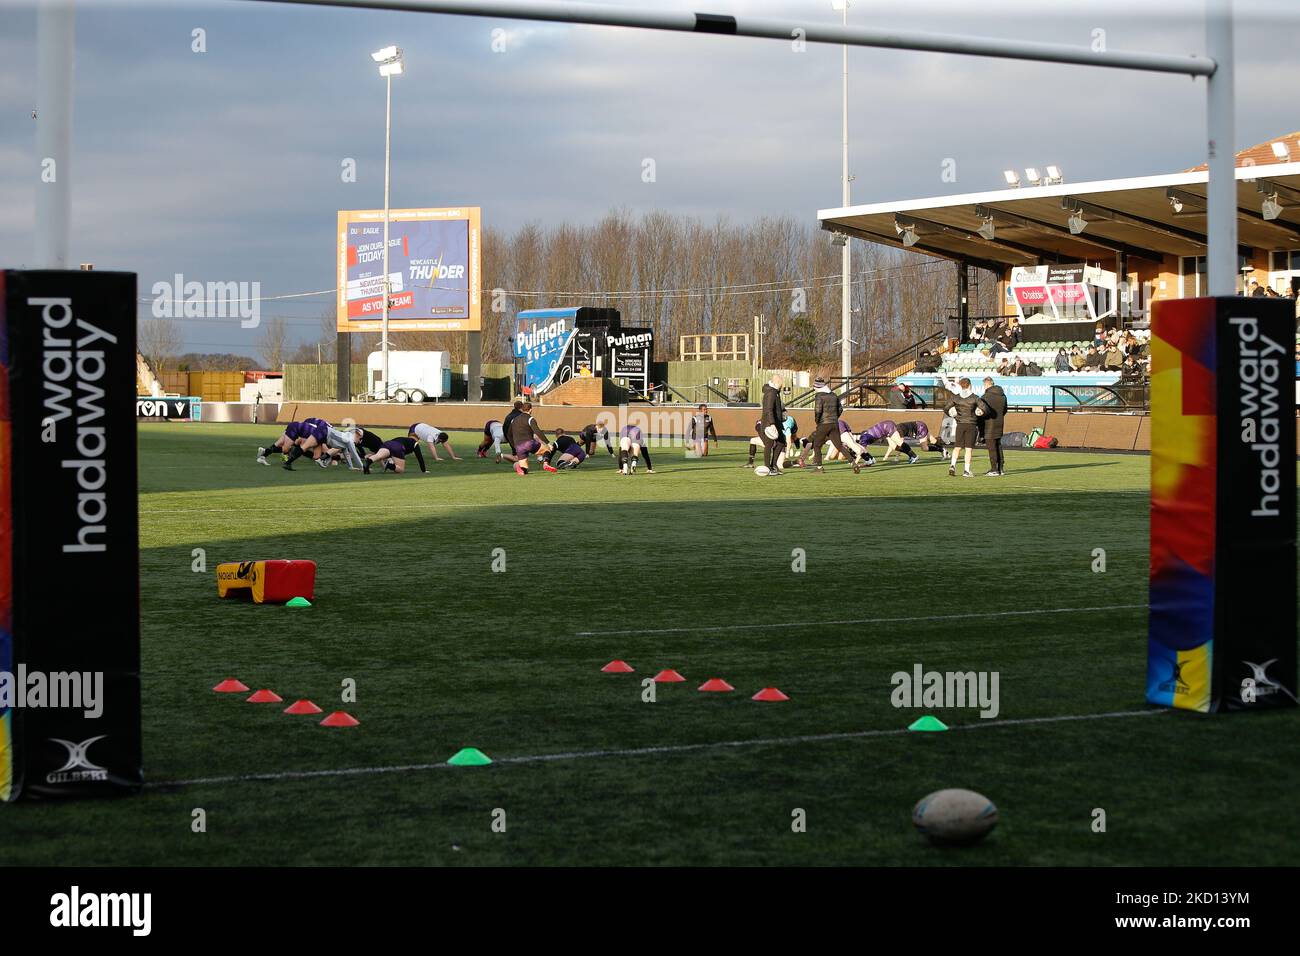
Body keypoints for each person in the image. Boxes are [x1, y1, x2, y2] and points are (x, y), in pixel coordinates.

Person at [804, 378, 859, 473]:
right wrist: (835, 417)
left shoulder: (819, 396)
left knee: (817, 445)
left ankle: (819, 468)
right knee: (839, 446)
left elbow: (818, 411)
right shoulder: (833, 395)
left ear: (817, 387)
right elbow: (840, 409)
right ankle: (853, 463)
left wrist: (817, 421)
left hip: (824, 424)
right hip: (834, 423)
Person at [942, 376, 980, 478]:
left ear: (960, 385)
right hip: (971, 425)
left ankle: (952, 465)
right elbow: (983, 408)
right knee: (968, 449)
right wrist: (980, 413)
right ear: (970, 385)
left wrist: (953, 415)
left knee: (957, 447)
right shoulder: (975, 397)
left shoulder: (956, 397)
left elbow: (946, 408)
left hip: (960, 424)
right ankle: (966, 471)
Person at [502, 402, 550, 476]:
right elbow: (537, 431)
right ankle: (545, 464)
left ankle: (519, 467)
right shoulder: (530, 419)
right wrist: (548, 443)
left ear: (522, 409)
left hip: (519, 446)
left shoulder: (514, 420)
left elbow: (509, 434)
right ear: (530, 410)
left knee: (524, 470)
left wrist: (514, 445)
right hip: (529, 443)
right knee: (546, 450)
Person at [976, 376, 1008, 477]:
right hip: (999, 423)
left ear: (986, 384)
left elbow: (982, 413)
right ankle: (1001, 469)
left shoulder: (985, 397)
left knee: (991, 448)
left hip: (988, 425)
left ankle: (994, 469)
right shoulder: (1003, 396)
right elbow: (1005, 410)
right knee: (998, 446)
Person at [758, 372, 787, 474]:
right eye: (781, 383)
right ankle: (767, 467)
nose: (782, 385)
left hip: (776, 422)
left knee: (781, 442)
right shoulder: (771, 393)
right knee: (769, 444)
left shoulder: (775, 392)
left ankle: (773, 465)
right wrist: (772, 423)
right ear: (778, 382)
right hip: (769, 423)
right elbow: (768, 409)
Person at [363, 435, 427, 474]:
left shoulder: (402, 438)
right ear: (417, 439)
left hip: (387, 443)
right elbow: (419, 457)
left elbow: (391, 452)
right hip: (398, 446)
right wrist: (423, 470)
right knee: (401, 470)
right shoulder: (415, 443)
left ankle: (368, 462)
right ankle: (389, 465)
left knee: (378, 456)